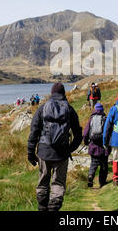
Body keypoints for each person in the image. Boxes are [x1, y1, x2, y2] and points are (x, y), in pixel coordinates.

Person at [27, 82, 82, 211]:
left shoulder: (42, 108)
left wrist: (30, 153)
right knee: (58, 185)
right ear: (63, 93)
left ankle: (42, 208)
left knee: (43, 183)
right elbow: (78, 135)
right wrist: (69, 149)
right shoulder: (69, 109)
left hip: (44, 152)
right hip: (62, 154)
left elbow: (33, 132)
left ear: (52, 93)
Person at [83, 103, 109, 188]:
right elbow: (108, 132)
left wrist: (86, 142)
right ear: (102, 110)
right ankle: (102, 182)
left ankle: (90, 176)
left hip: (93, 146)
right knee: (104, 165)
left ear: (95, 109)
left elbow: (86, 132)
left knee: (93, 164)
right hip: (103, 147)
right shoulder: (105, 119)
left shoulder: (91, 119)